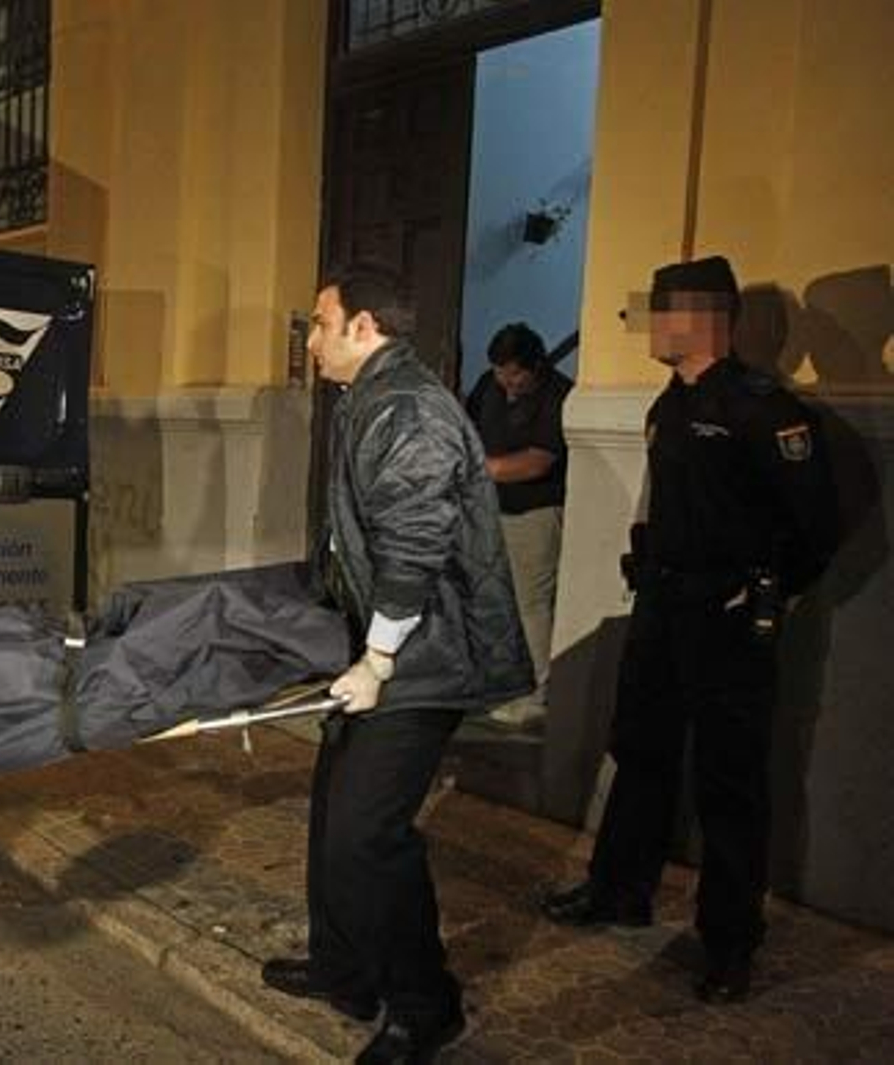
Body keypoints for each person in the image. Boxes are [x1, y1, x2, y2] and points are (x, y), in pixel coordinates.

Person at [540, 256, 839, 1005]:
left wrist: (767, 591)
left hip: (726, 621)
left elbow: (817, 524)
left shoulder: (763, 409)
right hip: (663, 608)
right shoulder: (671, 405)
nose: (646, 326)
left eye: (658, 311)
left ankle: (730, 943)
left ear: (702, 319)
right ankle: (619, 889)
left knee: (728, 781)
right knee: (639, 751)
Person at [262, 265, 533, 1064]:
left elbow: (414, 546)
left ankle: (426, 1005)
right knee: (332, 814)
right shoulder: (369, 396)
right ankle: (345, 969)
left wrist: (377, 660)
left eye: (320, 323)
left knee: (366, 835)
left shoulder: (409, 408)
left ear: (364, 325)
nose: (310, 340)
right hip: (384, 647)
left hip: (425, 656)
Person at [465, 322, 574, 730]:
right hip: (491, 510)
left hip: (536, 512)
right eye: (499, 373)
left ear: (536, 367)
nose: (506, 383)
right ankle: (499, 681)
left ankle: (539, 692)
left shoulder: (558, 395)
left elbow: (538, 461)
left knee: (532, 604)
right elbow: (468, 428)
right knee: (494, 598)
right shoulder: (488, 386)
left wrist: (480, 469)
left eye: (514, 375)